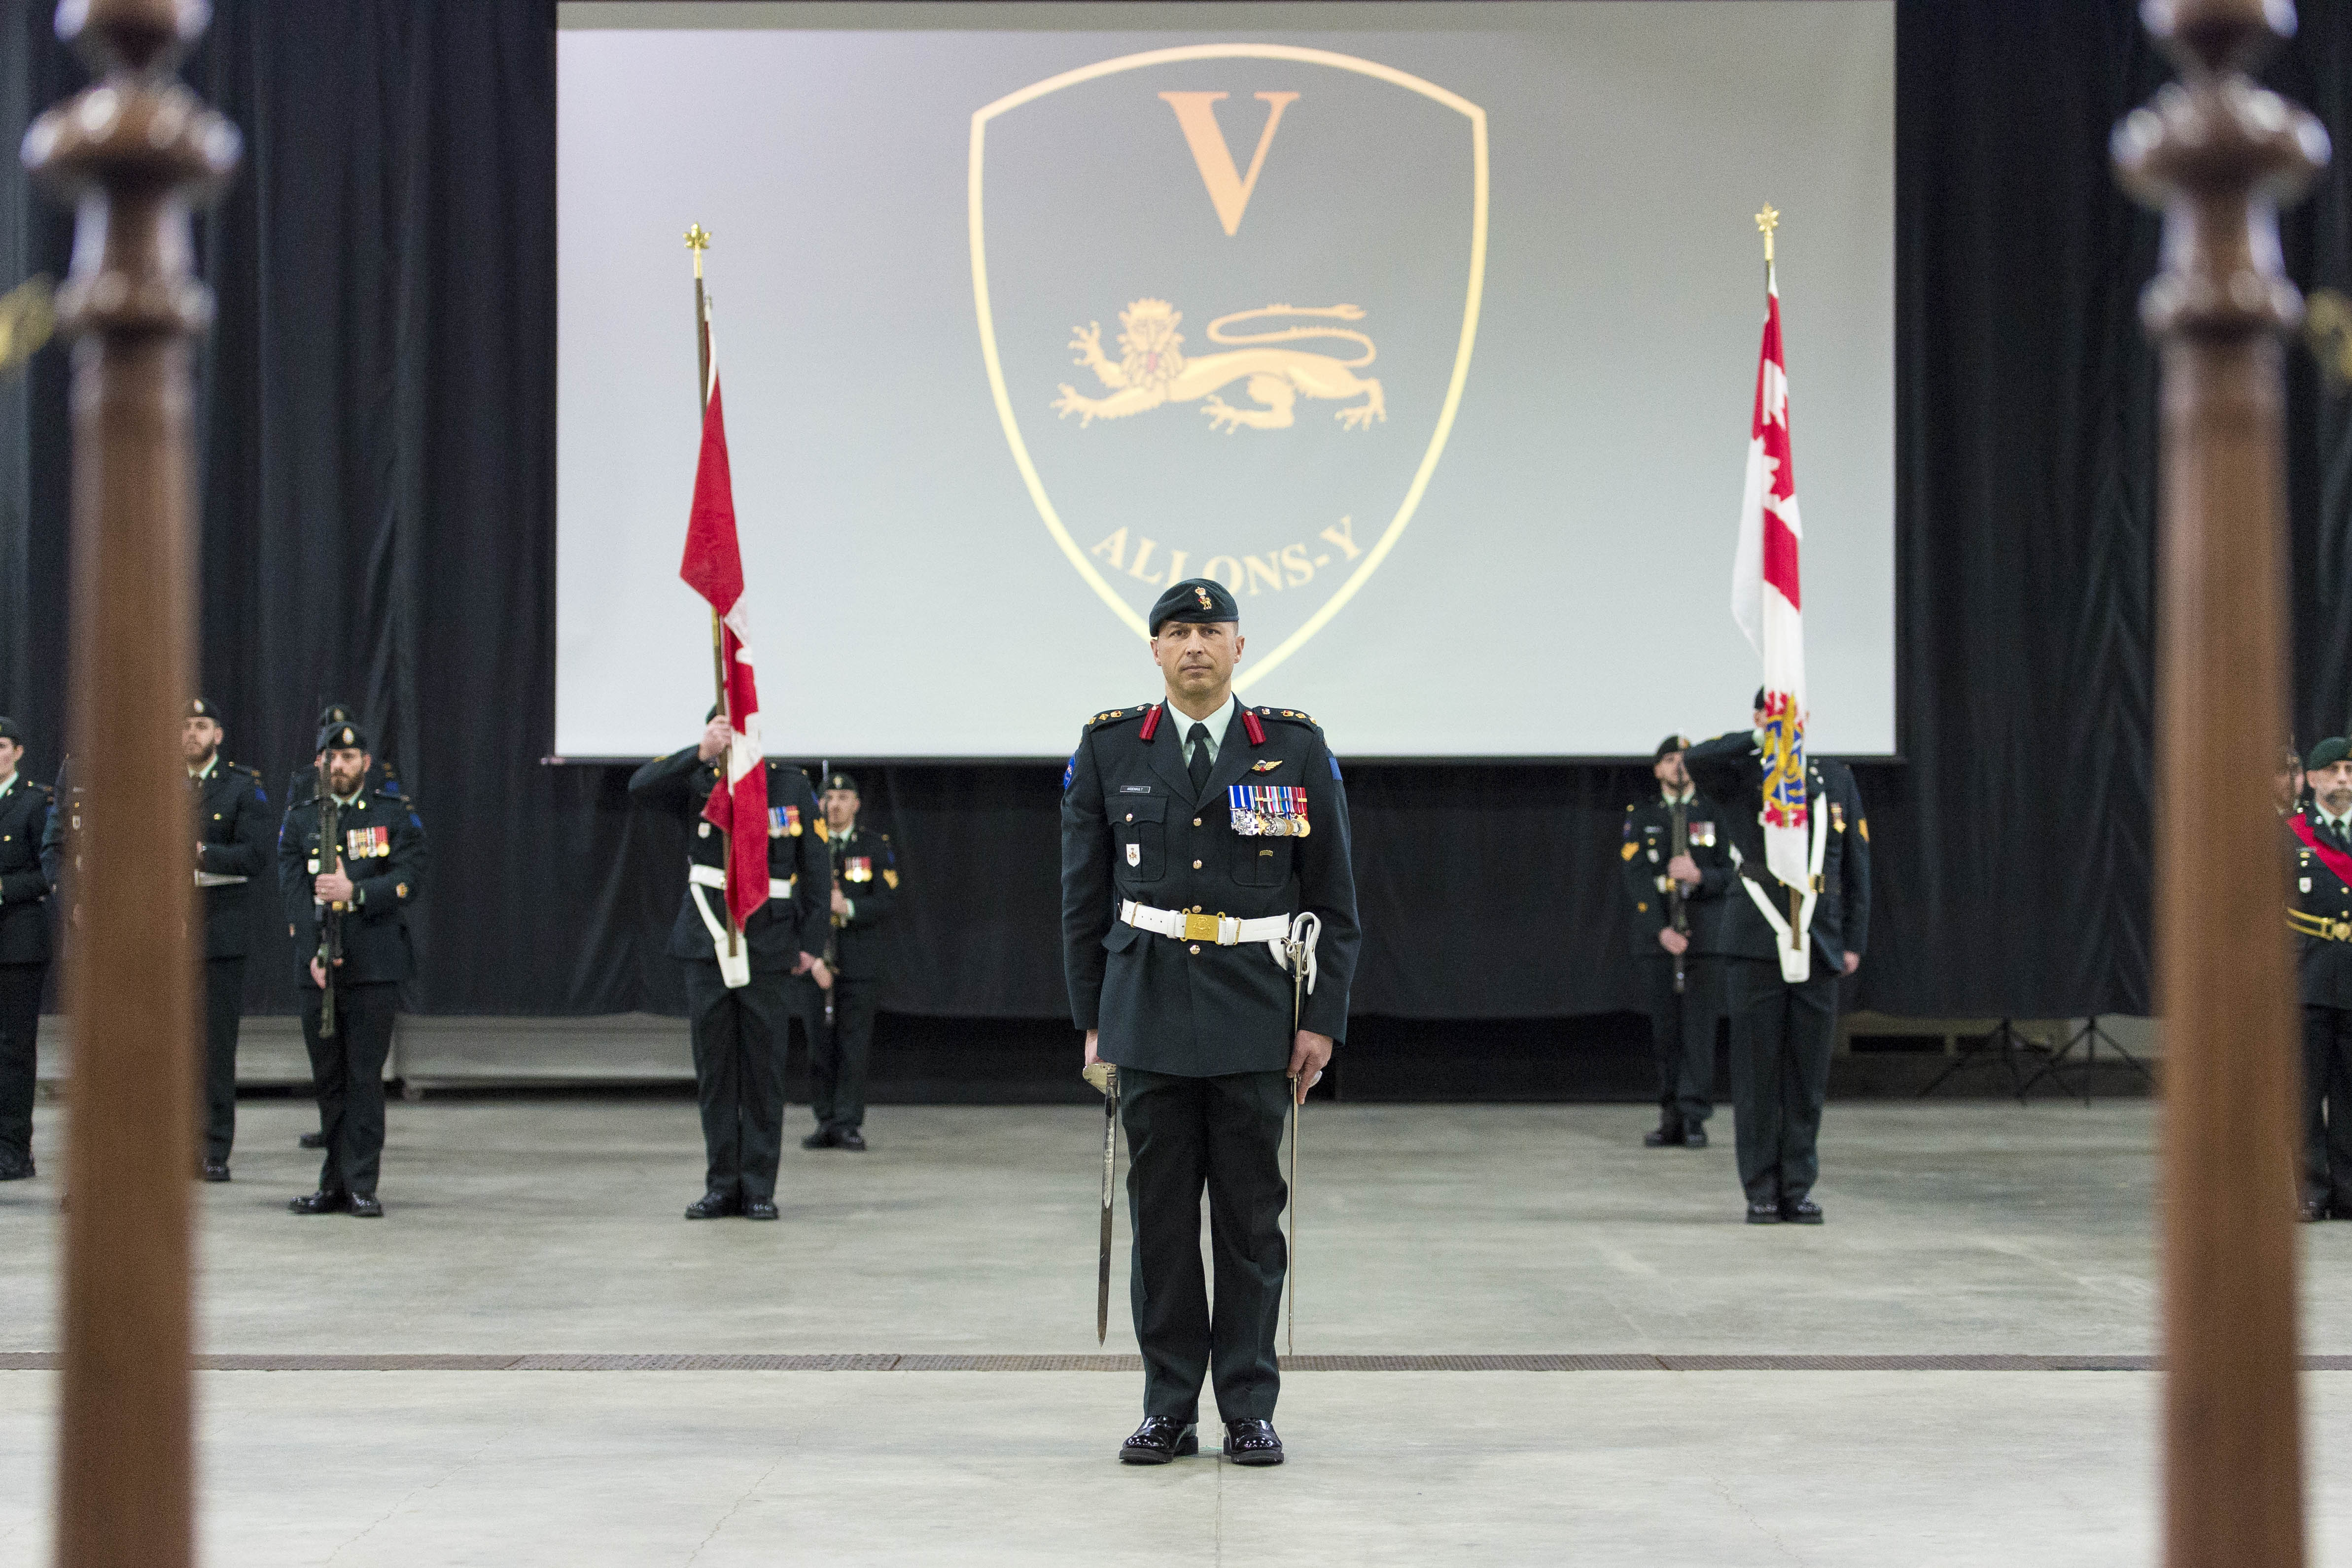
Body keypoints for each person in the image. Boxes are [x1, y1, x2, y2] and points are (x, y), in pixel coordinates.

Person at [1061, 577, 1361, 1468]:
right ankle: (1167, 1409)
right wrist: (1092, 1019)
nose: (1194, 644)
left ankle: (1248, 1408)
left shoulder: (1294, 747)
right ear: (1155, 650)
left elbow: (1335, 898)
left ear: (1239, 646)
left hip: (1255, 1011)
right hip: (1146, 1006)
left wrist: (1321, 1020)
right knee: (1159, 1224)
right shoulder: (1110, 746)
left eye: (1210, 629)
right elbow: (1080, 899)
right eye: (1177, 631)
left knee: (1249, 1222)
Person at [631, 709, 829, 1220]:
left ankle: (759, 1187)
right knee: (716, 1073)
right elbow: (640, 787)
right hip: (707, 941)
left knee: (763, 1072)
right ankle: (722, 1185)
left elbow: (816, 866)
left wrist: (811, 942)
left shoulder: (789, 786)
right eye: (727, 727)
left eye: (742, 728)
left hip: (769, 942)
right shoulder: (696, 781)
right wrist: (700, 752)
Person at [1685, 690, 1868, 1225]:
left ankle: (1797, 1186)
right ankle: (1760, 1189)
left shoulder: (1834, 778)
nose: (1788, 720)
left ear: (1807, 717)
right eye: (1773, 713)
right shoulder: (1741, 774)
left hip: (1819, 938)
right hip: (1755, 938)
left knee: (1806, 1077)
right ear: (1759, 717)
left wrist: (1852, 939)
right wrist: (1761, 738)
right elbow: (1697, 758)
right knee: (1756, 1073)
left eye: (1793, 713)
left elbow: (1855, 865)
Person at [278, 721, 425, 1218]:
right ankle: (332, 1184)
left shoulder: (391, 813)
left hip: (373, 963)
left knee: (363, 1077)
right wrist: (313, 950)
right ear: (319, 764)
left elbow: (410, 877)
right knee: (328, 1078)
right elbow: (292, 892)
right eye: (330, 758)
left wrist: (356, 892)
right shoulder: (301, 818)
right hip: (317, 967)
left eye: (348, 757)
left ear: (365, 762)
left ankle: (361, 1183)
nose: (338, 765)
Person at [1620, 734, 1730, 1148]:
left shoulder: (1714, 810)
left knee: (1699, 1032)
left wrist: (1700, 876)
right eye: (1669, 759)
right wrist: (1660, 930)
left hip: (1704, 938)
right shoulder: (1642, 815)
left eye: (1684, 759)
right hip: (1659, 939)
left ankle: (1695, 1116)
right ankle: (1669, 1116)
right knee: (1665, 1032)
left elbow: (1734, 871)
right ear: (1657, 769)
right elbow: (1634, 876)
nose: (1678, 765)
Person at [185, 698, 272, 1182]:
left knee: (214, 1046)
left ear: (217, 734)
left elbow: (255, 855)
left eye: (201, 726)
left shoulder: (241, 786)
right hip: (166, 929)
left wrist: (202, 853)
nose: (192, 734)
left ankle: (212, 1148)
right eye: (185, 726)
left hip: (217, 927)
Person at [800, 769, 898, 1152]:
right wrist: (811, 959)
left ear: (856, 804)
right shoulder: (808, 844)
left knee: (853, 1046)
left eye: (843, 798)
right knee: (818, 1046)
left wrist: (849, 907)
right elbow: (792, 900)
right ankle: (824, 1120)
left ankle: (847, 1122)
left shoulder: (873, 845)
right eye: (828, 798)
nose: (835, 805)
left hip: (858, 963)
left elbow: (887, 899)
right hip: (815, 964)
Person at [2291, 737, 2352, 1220]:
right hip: (2307, 979)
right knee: (2305, 1095)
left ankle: (2348, 1190)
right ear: (2311, 778)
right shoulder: (2291, 834)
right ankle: (2309, 1191)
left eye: (2349, 769)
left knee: (2350, 1094)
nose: (2342, 778)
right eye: (2331, 770)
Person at [0, 719, 52, 1182]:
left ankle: (15, 1148)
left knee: (15, 1049)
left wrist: (3, 889)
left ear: (17, 752)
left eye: (1, 746)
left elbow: (48, 871)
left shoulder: (35, 802)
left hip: (18, 940)